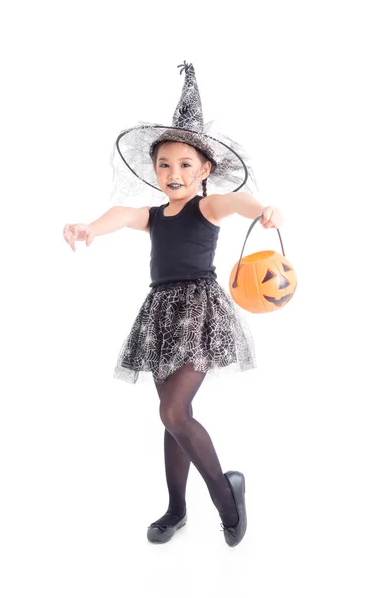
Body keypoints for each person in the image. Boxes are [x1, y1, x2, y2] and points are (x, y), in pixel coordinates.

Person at [63, 62, 283, 548]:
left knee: (174, 410)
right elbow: (122, 214)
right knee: (171, 412)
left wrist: (265, 209)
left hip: (200, 313)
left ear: (204, 170)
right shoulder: (155, 215)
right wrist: (90, 227)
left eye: (185, 165)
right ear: (154, 170)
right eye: (164, 164)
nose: (174, 173)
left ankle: (227, 497)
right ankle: (177, 508)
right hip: (160, 317)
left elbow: (238, 200)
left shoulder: (208, 206)